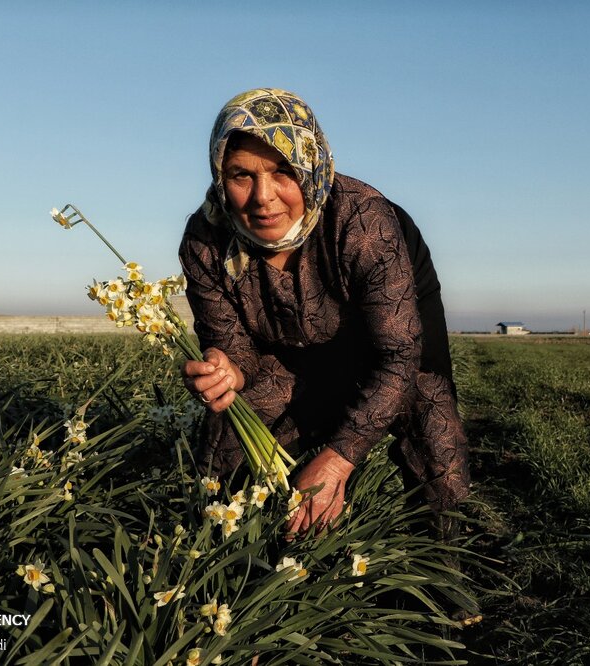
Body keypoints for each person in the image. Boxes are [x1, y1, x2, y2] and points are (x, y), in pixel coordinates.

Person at [178, 88, 471, 544]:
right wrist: (227, 370)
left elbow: (397, 356)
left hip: (388, 332)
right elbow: (234, 345)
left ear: (311, 165)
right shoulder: (205, 240)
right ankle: (249, 548)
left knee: (427, 413)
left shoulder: (362, 222)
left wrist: (338, 458)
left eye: (282, 171)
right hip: (287, 345)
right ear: (219, 173)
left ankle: (439, 558)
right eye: (241, 175)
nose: (263, 198)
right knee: (233, 428)